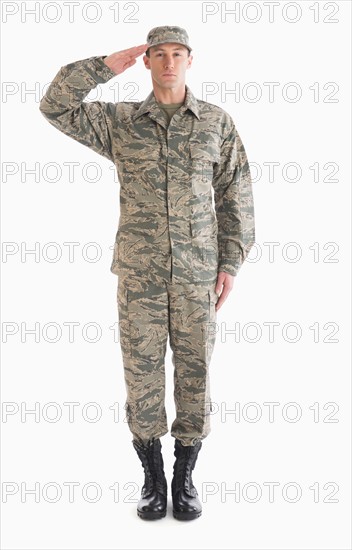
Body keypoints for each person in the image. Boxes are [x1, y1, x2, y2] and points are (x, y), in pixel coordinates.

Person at [39, 25, 255, 521]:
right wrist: (104, 66)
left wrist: (230, 263)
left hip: (199, 275)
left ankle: (185, 476)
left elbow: (236, 194)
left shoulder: (216, 123)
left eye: (178, 53)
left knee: (195, 373)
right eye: (159, 54)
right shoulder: (120, 122)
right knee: (141, 375)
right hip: (140, 276)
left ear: (191, 60)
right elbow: (55, 105)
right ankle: (152, 476)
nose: (169, 63)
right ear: (147, 61)